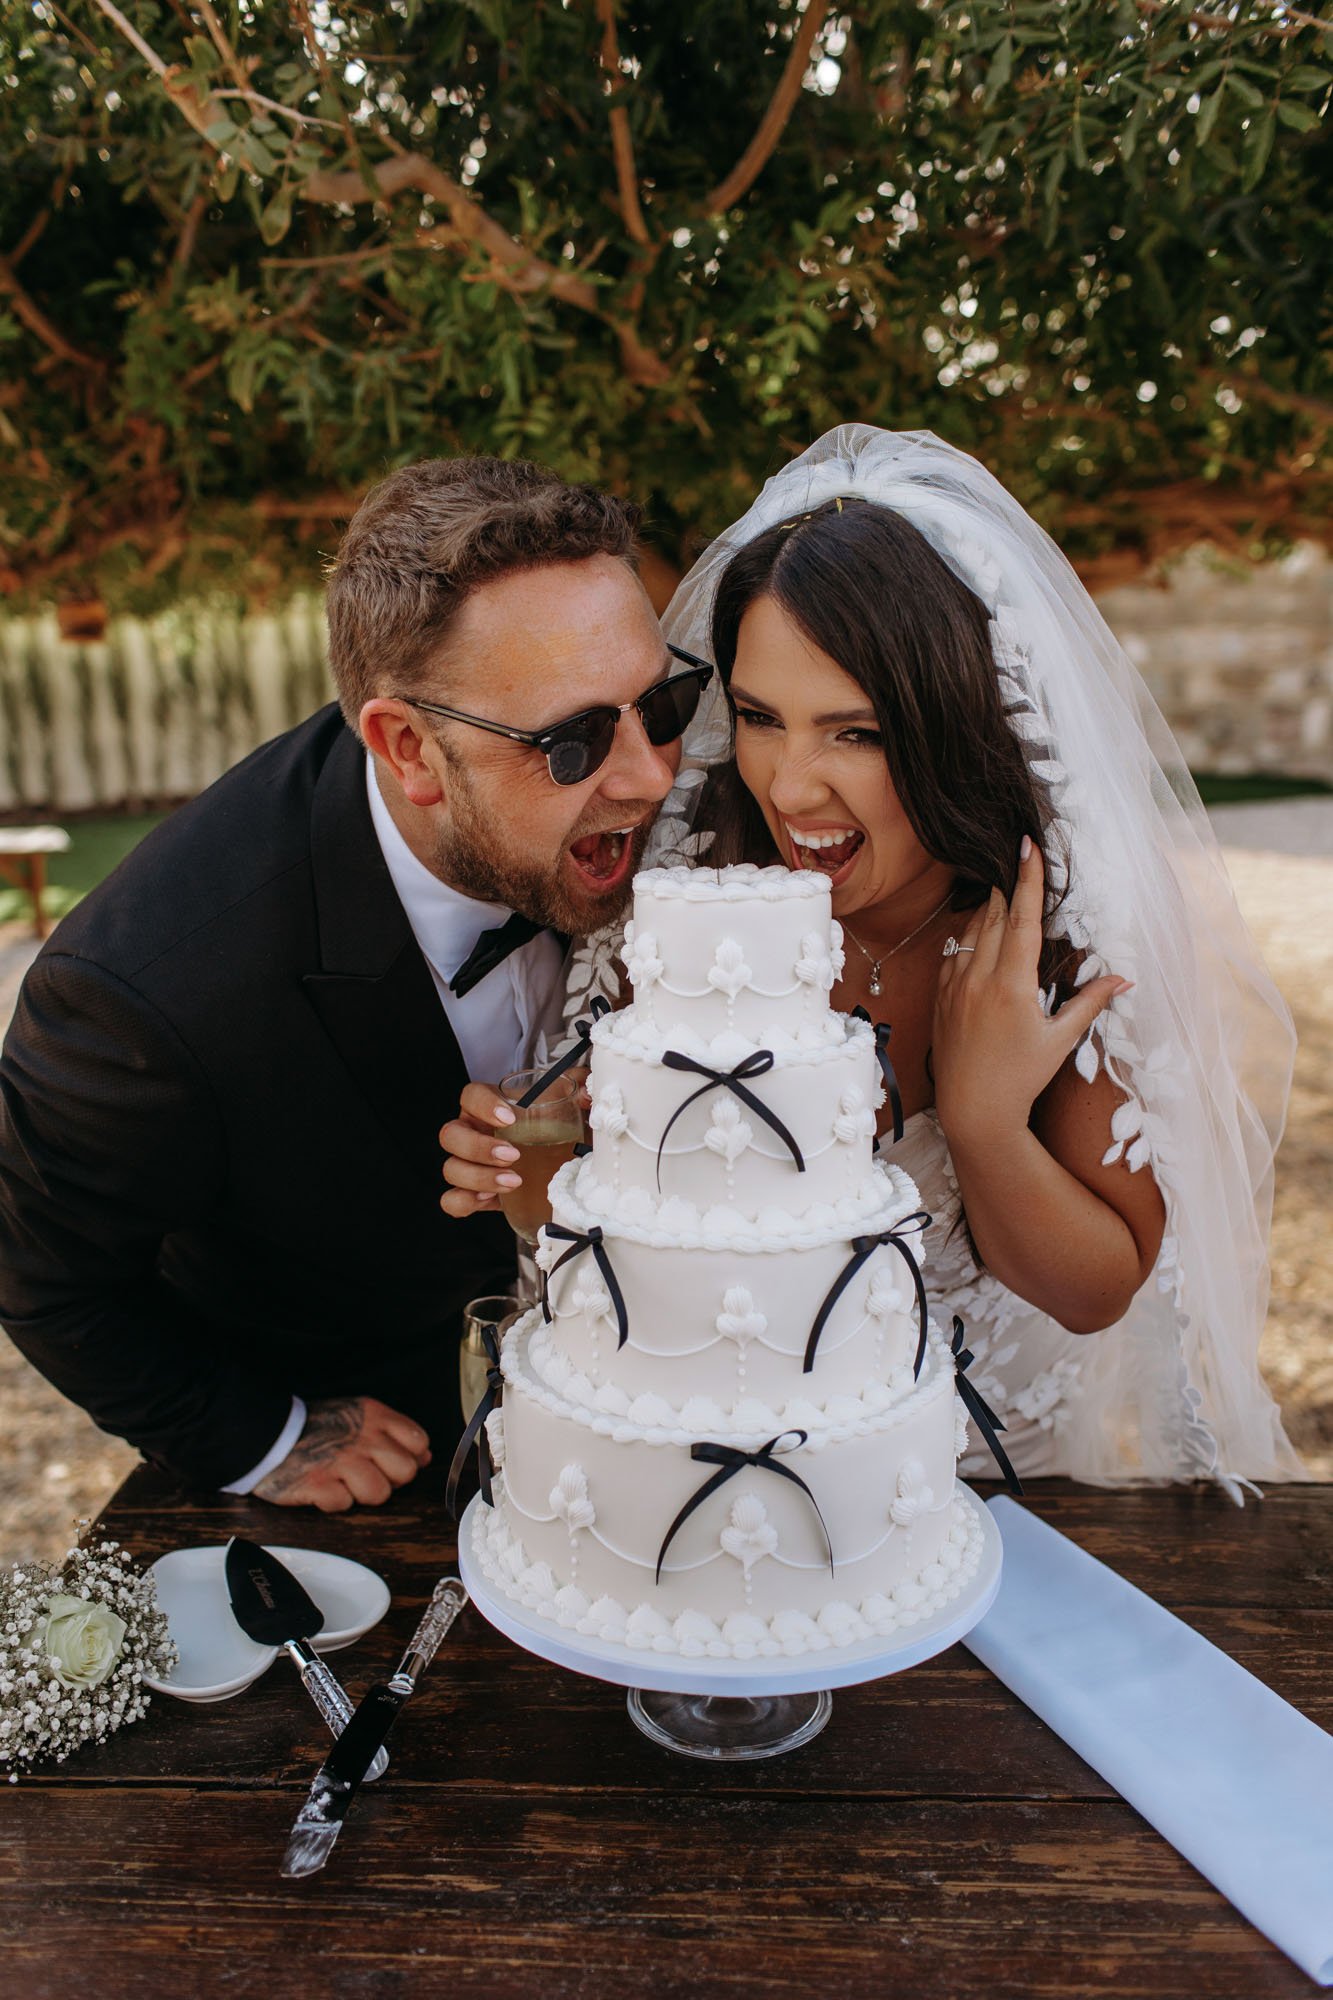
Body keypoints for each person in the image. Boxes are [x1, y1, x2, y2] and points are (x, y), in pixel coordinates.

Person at [443, 428, 1303, 1496]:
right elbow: (639, 1242)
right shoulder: (697, 900)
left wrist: (985, 1117)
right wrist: (536, 1174)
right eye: (758, 717)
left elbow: (1097, 1287)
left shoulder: (1046, 931)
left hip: (976, 1489)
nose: (791, 785)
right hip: (703, 1495)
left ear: (948, 729)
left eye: (854, 732)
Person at [0, 455, 708, 1510]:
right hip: (391, 1483)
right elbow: (38, 1270)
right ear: (408, 747)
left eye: (660, 702)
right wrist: (259, 1434)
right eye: (571, 741)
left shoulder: (680, 831)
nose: (652, 772)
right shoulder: (147, 991)